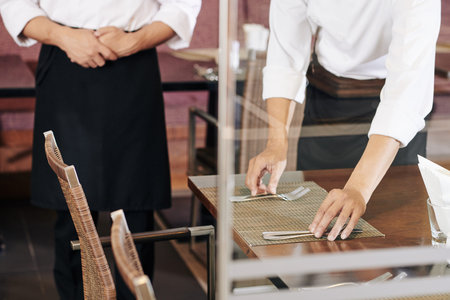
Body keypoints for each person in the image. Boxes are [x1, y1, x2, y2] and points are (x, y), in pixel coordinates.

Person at [0, 0, 201, 299]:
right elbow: (17, 5)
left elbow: (183, 5)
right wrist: (64, 37)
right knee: (71, 211)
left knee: (137, 211)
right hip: (65, 60)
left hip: (134, 61)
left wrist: (134, 41)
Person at [246, 0, 440, 241]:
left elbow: (406, 91)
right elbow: (284, 55)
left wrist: (358, 188)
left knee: (392, 238)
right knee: (318, 231)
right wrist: (276, 142)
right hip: (327, 100)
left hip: (391, 123)